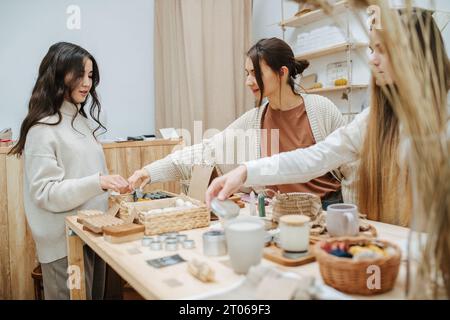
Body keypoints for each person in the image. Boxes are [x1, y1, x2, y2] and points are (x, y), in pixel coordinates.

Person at [205, 11, 449, 228]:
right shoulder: (374, 119)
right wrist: (245, 172)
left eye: (384, 50)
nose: (373, 60)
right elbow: (315, 157)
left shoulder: (320, 107)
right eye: (373, 49)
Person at [129, 37, 353, 208]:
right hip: (282, 215)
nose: (248, 81)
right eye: (246, 73)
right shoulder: (255, 119)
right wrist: (149, 171)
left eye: (255, 73)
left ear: (282, 73)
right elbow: (206, 151)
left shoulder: (321, 109)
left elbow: (352, 169)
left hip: (327, 210)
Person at [9, 42, 130, 299]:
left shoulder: (81, 121)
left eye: (90, 75)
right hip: (64, 245)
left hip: (92, 235)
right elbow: (46, 193)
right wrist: (99, 182)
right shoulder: (42, 129)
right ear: (58, 74)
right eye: (79, 74)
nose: (86, 83)